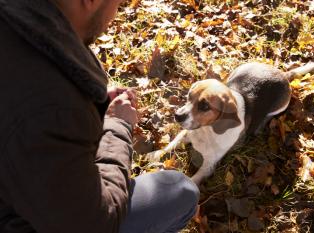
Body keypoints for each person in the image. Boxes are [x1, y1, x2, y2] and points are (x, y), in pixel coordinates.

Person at [0, 0, 199, 232]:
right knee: (181, 193)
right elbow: (96, 223)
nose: (117, 11)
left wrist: (92, 102)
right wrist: (118, 125)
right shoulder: (50, 112)